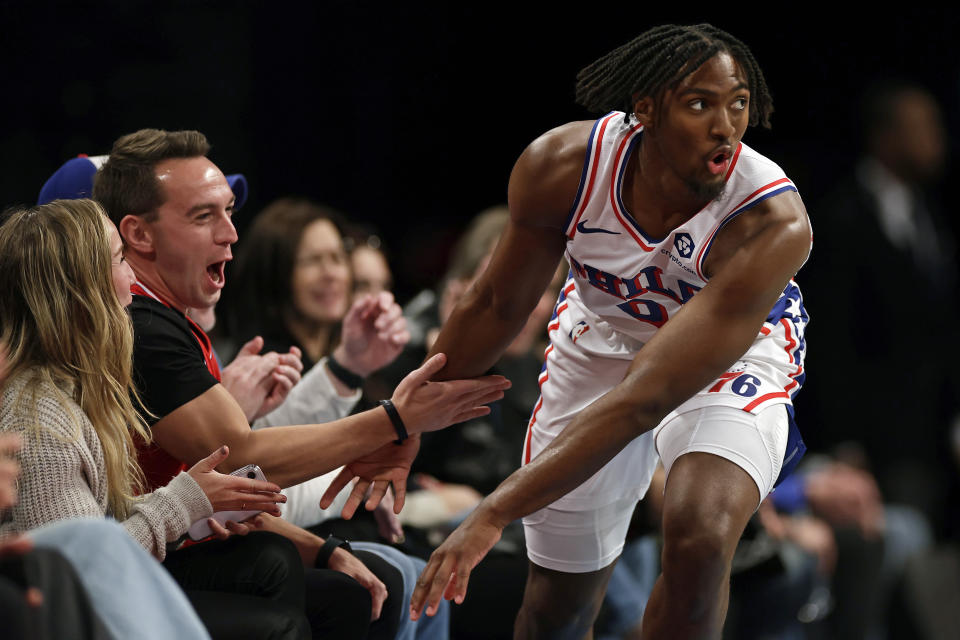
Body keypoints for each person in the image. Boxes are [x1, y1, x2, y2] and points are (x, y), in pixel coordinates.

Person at [408, 24, 812, 639]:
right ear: (644, 110)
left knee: (700, 535)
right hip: (601, 335)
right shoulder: (566, 165)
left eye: (738, 104)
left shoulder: (769, 221)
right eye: (700, 103)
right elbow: (494, 303)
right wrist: (407, 420)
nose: (726, 126)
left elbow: (645, 399)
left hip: (733, 355)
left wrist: (495, 509)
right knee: (557, 605)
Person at [91, 129, 507, 636]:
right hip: (126, 566)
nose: (230, 234)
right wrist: (395, 420)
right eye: (204, 216)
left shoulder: (167, 321)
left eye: (229, 213)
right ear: (136, 235)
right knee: (301, 574)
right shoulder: (144, 326)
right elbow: (242, 458)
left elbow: (230, 487)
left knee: (329, 571)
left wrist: (325, 544)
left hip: (172, 544)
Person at [0, 199, 326, 639]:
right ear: (81, 288)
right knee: (282, 626)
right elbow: (85, 574)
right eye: (119, 260)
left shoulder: (70, 387)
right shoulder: (42, 422)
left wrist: (195, 500)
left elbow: (96, 519)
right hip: (76, 619)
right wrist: (182, 503)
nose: (133, 279)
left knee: (273, 562)